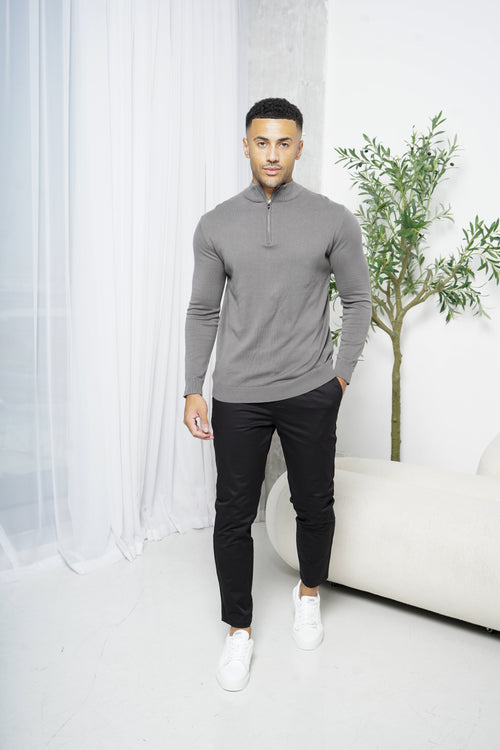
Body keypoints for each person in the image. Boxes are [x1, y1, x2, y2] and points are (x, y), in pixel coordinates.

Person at [183, 97, 371, 691]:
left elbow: (358, 301)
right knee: (232, 515)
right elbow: (203, 310)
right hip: (238, 393)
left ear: (299, 147)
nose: (272, 154)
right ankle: (238, 631)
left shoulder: (333, 219)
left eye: (283, 143)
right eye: (261, 142)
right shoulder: (216, 224)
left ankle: (308, 594)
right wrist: (192, 388)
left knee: (315, 505)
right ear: (245, 146)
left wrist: (339, 378)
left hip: (310, 387)